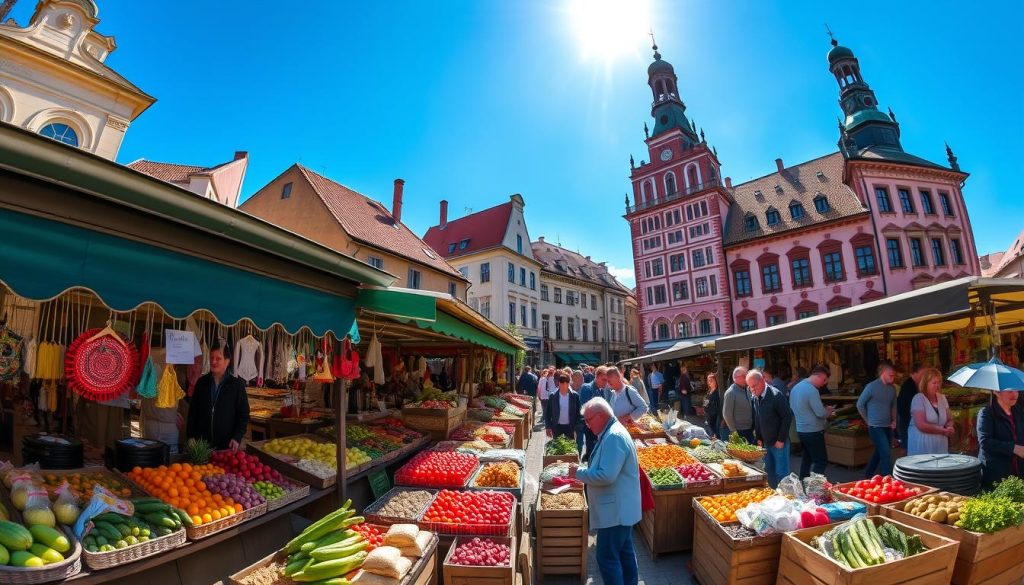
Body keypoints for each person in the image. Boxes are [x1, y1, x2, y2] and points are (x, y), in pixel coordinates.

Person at [569, 398, 640, 585]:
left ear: (600, 416)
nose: (587, 424)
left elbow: (606, 476)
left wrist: (578, 472)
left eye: (588, 420)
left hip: (615, 512)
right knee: (625, 554)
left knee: (607, 559)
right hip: (620, 510)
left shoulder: (614, 436)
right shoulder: (611, 432)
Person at [186, 341, 250, 450]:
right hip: (201, 445)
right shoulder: (201, 383)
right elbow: (193, 412)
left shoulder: (236, 385)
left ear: (227, 361)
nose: (213, 361)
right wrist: (191, 436)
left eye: (218, 358)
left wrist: (237, 437)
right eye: (211, 358)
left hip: (227, 446)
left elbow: (243, 414)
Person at [748, 369, 792, 487]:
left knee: (781, 473)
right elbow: (757, 418)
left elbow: (787, 417)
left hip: (778, 443)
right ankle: (773, 497)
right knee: (769, 472)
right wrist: (759, 438)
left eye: (754, 386)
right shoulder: (755, 398)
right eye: (749, 387)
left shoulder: (776, 395)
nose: (752, 389)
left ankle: (785, 499)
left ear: (762, 380)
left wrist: (781, 439)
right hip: (766, 443)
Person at [790, 364, 835, 478]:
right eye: (824, 380)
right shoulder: (812, 390)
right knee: (821, 461)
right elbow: (820, 413)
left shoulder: (795, 387)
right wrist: (828, 411)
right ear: (818, 376)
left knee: (807, 458)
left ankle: (803, 483)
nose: (824, 383)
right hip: (813, 431)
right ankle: (814, 488)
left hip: (801, 429)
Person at [977, 388, 1024, 489]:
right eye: (1010, 391)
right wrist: (1014, 448)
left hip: (1018, 470)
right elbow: (985, 442)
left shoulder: (1018, 410)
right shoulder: (986, 413)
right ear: (996, 392)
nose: (1015, 394)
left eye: (1016, 390)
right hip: (995, 472)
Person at [857, 362, 898, 477]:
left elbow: (894, 406)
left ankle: (868, 475)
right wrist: (867, 420)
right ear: (883, 373)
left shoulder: (892, 389)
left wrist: (894, 420)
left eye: (893, 375)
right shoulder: (871, 386)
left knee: (879, 452)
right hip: (875, 426)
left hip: (887, 426)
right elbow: (860, 404)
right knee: (885, 453)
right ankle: (888, 480)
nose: (893, 378)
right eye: (891, 375)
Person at [907, 367, 953, 456]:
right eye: (934, 383)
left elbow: (949, 419)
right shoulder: (918, 398)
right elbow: (921, 425)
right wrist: (942, 431)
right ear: (926, 384)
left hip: (940, 446)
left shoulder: (942, 398)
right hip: (921, 445)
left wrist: (950, 427)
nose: (937, 385)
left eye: (939, 382)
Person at [578, 366, 608, 460]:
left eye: (607, 380)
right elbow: (585, 409)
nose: (606, 382)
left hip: (598, 429)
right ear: (597, 377)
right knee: (592, 453)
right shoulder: (587, 388)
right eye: (604, 380)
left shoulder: (601, 390)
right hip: (591, 428)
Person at [723, 366, 755, 443]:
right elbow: (727, 414)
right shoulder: (731, 393)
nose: (747, 378)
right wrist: (734, 432)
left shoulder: (746, 389)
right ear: (736, 378)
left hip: (750, 428)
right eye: (745, 376)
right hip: (739, 431)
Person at [545, 373, 581, 440]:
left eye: (565, 386)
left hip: (570, 427)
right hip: (557, 427)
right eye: (561, 386)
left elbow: (579, 413)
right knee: (557, 447)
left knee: (570, 448)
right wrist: (548, 427)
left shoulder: (575, 396)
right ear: (559, 384)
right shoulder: (553, 396)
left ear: (568, 384)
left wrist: (576, 428)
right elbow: (548, 413)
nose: (563, 388)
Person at [897, 363, 924, 448]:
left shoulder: (915, 385)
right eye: (922, 374)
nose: (924, 377)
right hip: (907, 422)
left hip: (910, 422)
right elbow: (908, 407)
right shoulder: (908, 386)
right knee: (908, 447)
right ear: (914, 373)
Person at [703, 373, 723, 438]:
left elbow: (719, 406)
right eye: (708, 381)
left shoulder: (718, 392)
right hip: (708, 416)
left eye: (711, 380)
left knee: (716, 433)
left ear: (716, 381)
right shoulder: (709, 391)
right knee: (710, 434)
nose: (709, 382)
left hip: (715, 416)